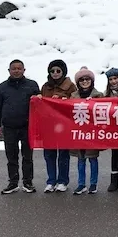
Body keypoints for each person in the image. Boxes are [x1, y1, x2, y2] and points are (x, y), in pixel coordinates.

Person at [0, 59, 41, 194]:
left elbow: (40, 106)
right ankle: (13, 183)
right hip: (9, 128)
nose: (16, 71)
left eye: (19, 68)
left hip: (27, 127)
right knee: (11, 157)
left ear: (24, 70)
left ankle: (28, 182)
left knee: (27, 157)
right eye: (14, 68)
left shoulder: (32, 85)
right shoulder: (1, 88)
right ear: (9, 71)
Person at [40, 59, 77, 193]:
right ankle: (51, 181)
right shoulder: (45, 86)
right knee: (49, 154)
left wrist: (64, 101)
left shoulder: (71, 86)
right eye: (52, 71)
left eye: (58, 71)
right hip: (49, 125)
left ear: (63, 72)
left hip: (64, 124)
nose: (55, 73)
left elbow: (76, 103)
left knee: (63, 154)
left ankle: (62, 181)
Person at [70, 67, 103, 195]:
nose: (84, 81)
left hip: (92, 132)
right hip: (78, 132)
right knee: (81, 159)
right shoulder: (73, 96)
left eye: (87, 79)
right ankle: (81, 184)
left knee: (93, 158)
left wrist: (94, 103)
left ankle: (93, 184)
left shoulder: (98, 95)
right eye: (82, 79)